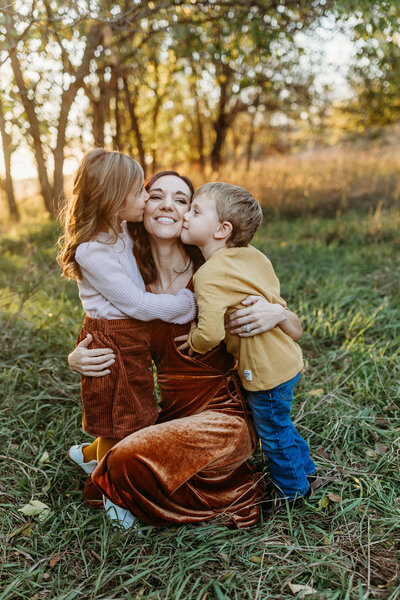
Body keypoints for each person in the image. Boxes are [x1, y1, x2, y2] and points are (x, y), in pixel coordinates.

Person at [68, 171, 303, 528]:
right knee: (133, 449)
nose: (168, 205)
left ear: (194, 216)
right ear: (141, 208)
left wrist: (278, 312)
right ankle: (103, 459)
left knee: (125, 458)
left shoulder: (215, 269)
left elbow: (296, 331)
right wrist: (77, 356)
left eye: (182, 200)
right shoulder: (132, 284)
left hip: (226, 417)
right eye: (156, 195)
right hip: (173, 414)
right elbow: (103, 326)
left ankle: (108, 467)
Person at [57, 150, 197, 471]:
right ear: (114, 199)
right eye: (140, 192)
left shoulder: (122, 230)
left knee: (132, 406)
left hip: (128, 336)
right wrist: (185, 306)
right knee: (122, 419)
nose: (147, 198)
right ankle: (113, 492)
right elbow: (134, 303)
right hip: (112, 339)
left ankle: (88, 456)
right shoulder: (92, 251)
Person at [181, 182, 316, 501]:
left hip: (265, 370)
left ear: (222, 229)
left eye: (196, 211)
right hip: (287, 357)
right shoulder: (252, 255)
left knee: (272, 433)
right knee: (281, 422)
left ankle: (294, 491)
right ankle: (306, 467)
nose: (186, 215)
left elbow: (210, 334)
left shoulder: (210, 274)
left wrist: (192, 342)